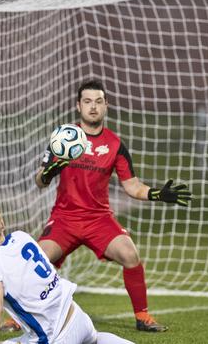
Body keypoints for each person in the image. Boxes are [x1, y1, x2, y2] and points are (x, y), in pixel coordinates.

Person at [17, 79, 191, 333]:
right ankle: (18, 316)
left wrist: (156, 194)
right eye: (87, 101)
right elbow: (40, 181)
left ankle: (142, 317)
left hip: (99, 219)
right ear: (78, 106)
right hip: (65, 218)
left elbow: (131, 186)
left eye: (98, 101)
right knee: (38, 261)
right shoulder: (64, 138)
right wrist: (49, 171)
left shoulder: (115, 144)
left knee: (130, 254)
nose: (93, 107)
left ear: (106, 106)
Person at [0, 201, 133, 344]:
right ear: (2, 224)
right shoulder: (22, 237)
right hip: (78, 318)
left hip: (55, 338)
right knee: (93, 341)